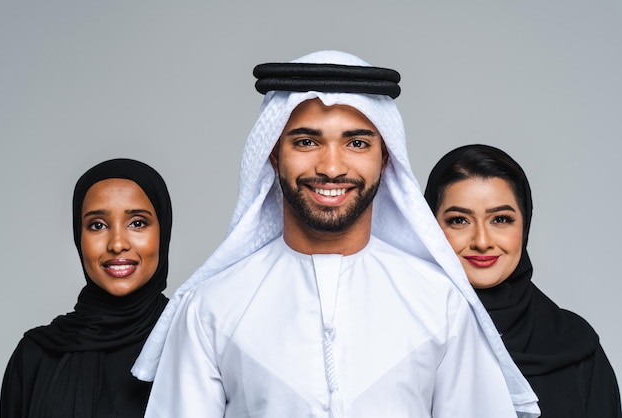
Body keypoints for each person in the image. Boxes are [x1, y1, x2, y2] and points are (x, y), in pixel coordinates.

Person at [133, 51, 539, 417]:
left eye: (357, 142)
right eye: (307, 141)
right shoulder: (212, 309)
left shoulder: (441, 304)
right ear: (274, 155)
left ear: (385, 158)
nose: (331, 167)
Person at [424, 144, 622, 417]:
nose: (482, 242)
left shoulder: (575, 346)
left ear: (524, 224)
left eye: (501, 219)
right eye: (459, 220)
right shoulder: (405, 337)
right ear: (431, 229)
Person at [0, 158, 172, 418]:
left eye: (137, 222)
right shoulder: (36, 354)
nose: (116, 244)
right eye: (97, 225)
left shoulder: (194, 343)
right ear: (79, 237)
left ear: (163, 231)